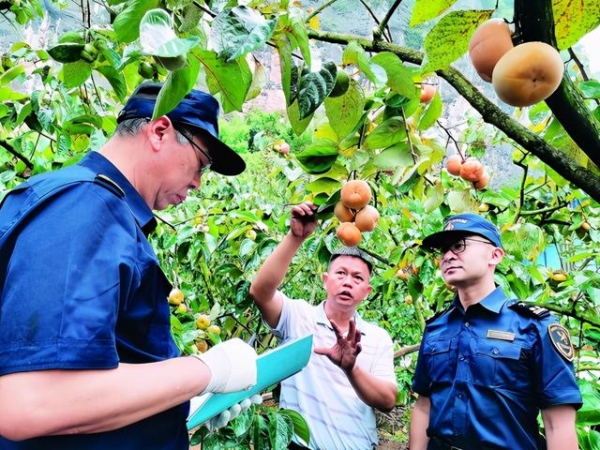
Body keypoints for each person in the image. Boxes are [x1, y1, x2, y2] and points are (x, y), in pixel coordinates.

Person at [0, 82, 259, 449]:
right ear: (160, 131)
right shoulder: (86, 209)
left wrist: (179, 398)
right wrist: (207, 371)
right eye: (201, 164)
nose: (198, 183)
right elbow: (31, 401)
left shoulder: (84, 202)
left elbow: (92, 372)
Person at [409, 213, 583, 450]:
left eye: (459, 245)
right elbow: (424, 405)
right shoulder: (436, 328)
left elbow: (558, 424)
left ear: (495, 255)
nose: (448, 256)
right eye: (443, 250)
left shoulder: (534, 327)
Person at [249, 201, 398, 450]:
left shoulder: (377, 337)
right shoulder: (297, 317)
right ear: (326, 281)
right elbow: (260, 292)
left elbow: (387, 400)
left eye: (357, 277)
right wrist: (295, 237)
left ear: (367, 291)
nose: (348, 282)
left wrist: (351, 368)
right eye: (341, 274)